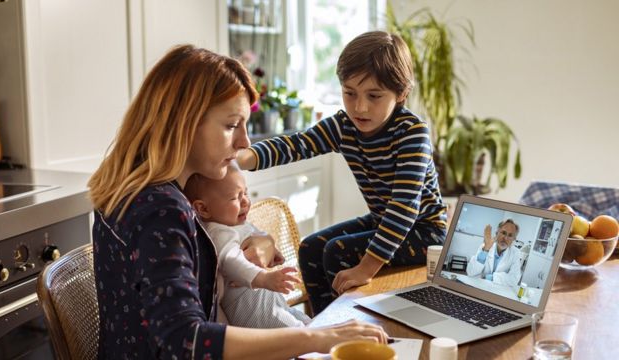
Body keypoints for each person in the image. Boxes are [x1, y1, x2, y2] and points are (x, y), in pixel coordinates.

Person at [88, 44, 387, 359]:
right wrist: (315, 338)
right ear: (184, 121)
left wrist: (262, 239)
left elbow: (224, 238)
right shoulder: (161, 209)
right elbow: (186, 340)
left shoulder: (133, 189)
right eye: (231, 125)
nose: (245, 142)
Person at [237, 31, 447, 314]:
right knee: (311, 248)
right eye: (350, 93)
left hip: (426, 232)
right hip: (382, 220)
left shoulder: (412, 134)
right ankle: (323, 325)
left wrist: (366, 268)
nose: (360, 107)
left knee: (337, 251)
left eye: (374, 96)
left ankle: (347, 325)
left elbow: (403, 209)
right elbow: (297, 144)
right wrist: (242, 158)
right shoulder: (343, 125)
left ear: (402, 94)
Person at [184, 163, 311, 328]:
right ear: (203, 208)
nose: (245, 201)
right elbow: (231, 260)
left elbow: (254, 235)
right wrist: (263, 278)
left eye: (245, 193)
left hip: (268, 302)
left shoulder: (233, 222)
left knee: (309, 324)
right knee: (301, 335)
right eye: (235, 197)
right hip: (251, 310)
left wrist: (273, 252)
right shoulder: (217, 231)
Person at [466, 219, 522, 287]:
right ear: (497, 233)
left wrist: (491, 277)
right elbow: (470, 272)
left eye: (510, 235)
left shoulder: (515, 253)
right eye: (503, 233)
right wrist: (486, 249)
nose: (505, 238)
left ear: (514, 239)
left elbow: (514, 279)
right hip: (480, 286)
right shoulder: (485, 246)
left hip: (498, 290)